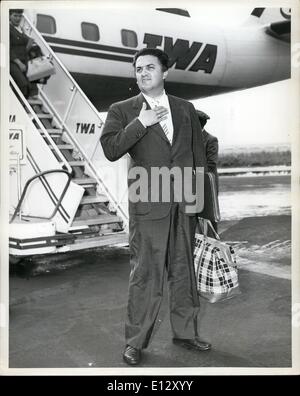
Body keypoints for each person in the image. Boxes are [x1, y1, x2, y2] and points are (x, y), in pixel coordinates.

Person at [100, 48, 211, 366]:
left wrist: (202, 210)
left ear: (165, 72)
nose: (143, 73)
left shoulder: (185, 108)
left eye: (150, 67)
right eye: (138, 69)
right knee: (145, 275)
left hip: (184, 204)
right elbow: (110, 149)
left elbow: (197, 158)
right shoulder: (123, 110)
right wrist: (141, 122)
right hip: (148, 202)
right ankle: (135, 342)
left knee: (183, 272)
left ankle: (186, 333)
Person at [196, 110, 219, 233]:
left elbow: (211, 163)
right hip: (194, 183)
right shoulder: (189, 139)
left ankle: (213, 244)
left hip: (207, 184)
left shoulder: (211, 140)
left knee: (209, 215)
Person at [9, 9, 38, 99]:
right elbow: (8, 50)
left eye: (20, 16)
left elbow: (26, 40)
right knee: (23, 84)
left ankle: (26, 105)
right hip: (13, 62)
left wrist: (31, 42)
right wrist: (19, 63)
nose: (18, 18)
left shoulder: (20, 29)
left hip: (23, 61)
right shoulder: (7, 29)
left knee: (32, 85)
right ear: (9, 16)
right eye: (15, 16)